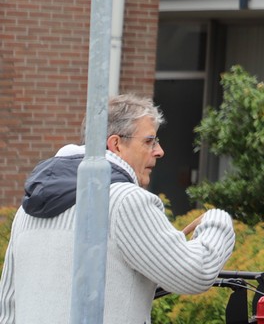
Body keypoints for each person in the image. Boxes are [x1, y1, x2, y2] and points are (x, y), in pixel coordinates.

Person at [0, 93, 236, 324]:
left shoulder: (28, 209)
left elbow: (8, 307)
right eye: (149, 141)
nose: (159, 151)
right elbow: (194, 273)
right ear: (116, 144)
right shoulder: (126, 201)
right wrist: (218, 221)